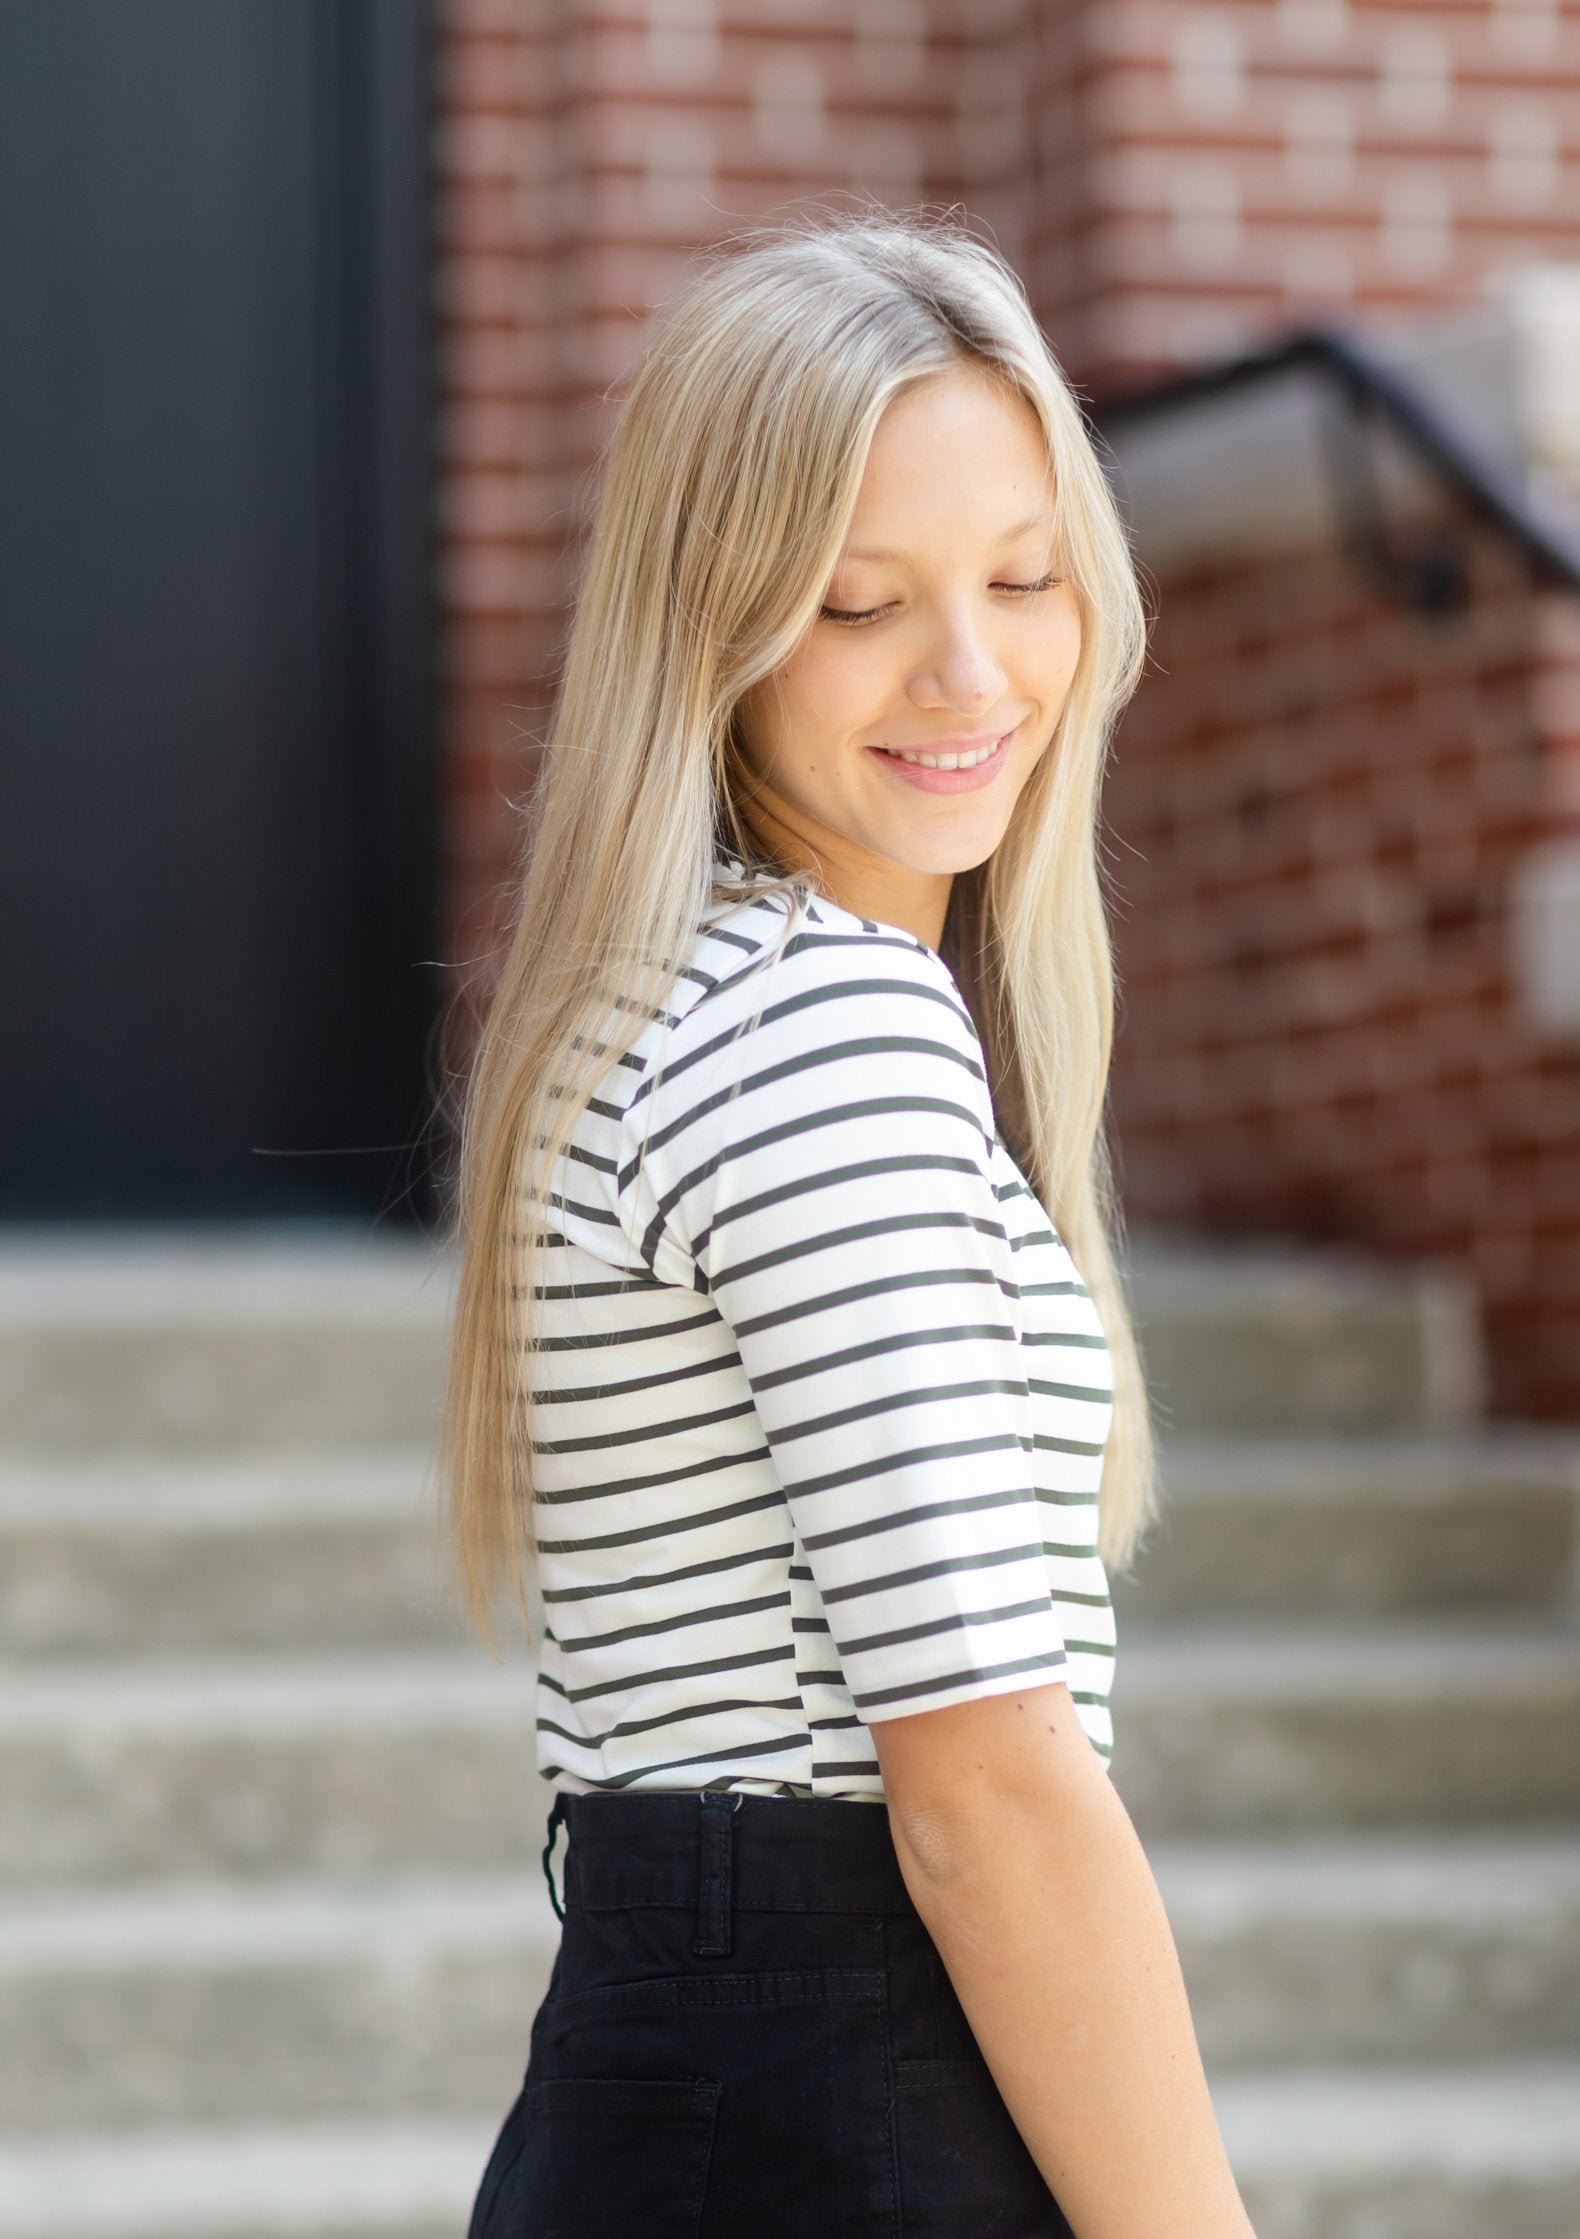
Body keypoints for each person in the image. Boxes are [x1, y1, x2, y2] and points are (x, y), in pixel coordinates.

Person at [442, 211, 1255, 2239]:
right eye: (855, 602)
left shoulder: (661, 999)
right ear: (711, 626)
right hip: (832, 2090)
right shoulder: (822, 1022)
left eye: (1022, 577)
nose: (969, 675)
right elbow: (981, 1793)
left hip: (689, 2064)